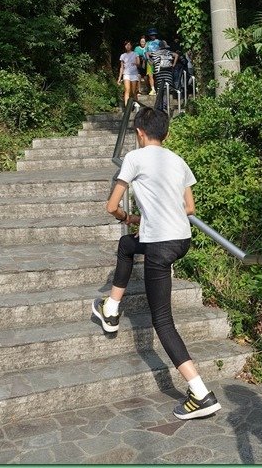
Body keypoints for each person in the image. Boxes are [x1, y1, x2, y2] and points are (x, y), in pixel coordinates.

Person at [91, 106, 221, 420]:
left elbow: (111, 207)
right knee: (127, 244)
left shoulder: (134, 158)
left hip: (160, 245)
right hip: (181, 239)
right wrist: (149, 218)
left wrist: (128, 216)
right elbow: (189, 207)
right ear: (166, 133)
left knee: (162, 321)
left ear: (138, 133)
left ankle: (201, 393)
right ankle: (111, 308)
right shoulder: (178, 160)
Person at [148, 40, 178, 112]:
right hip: (168, 72)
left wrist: (150, 61)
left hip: (159, 72)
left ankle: (160, 106)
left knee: (160, 88)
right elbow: (176, 55)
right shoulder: (169, 52)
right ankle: (165, 105)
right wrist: (173, 64)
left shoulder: (156, 53)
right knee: (166, 89)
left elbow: (147, 53)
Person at [116, 40, 140, 105]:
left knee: (133, 91)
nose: (128, 46)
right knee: (127, 90)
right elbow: (121, 67)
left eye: (129, 45)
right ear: (125, 46)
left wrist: (135, 63)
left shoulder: (135, 53)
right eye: (126, 45)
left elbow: (138, 63)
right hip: (126, 74)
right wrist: (119, 78)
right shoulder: (122, 55)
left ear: (131, 46)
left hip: (134, 74)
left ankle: (135, 102)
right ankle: (127, 106)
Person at [144, 28, 162, 96]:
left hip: (158, 59)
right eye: (151, 35)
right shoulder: (148, 43)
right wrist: (148, 59)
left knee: (158, 75)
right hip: (150, 60)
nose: (152, 36)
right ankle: (153, 89)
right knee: (150, 75)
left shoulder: (159, 42)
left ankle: (158, 88)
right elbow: (145, 52)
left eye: (154, 35)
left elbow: (162, 50)